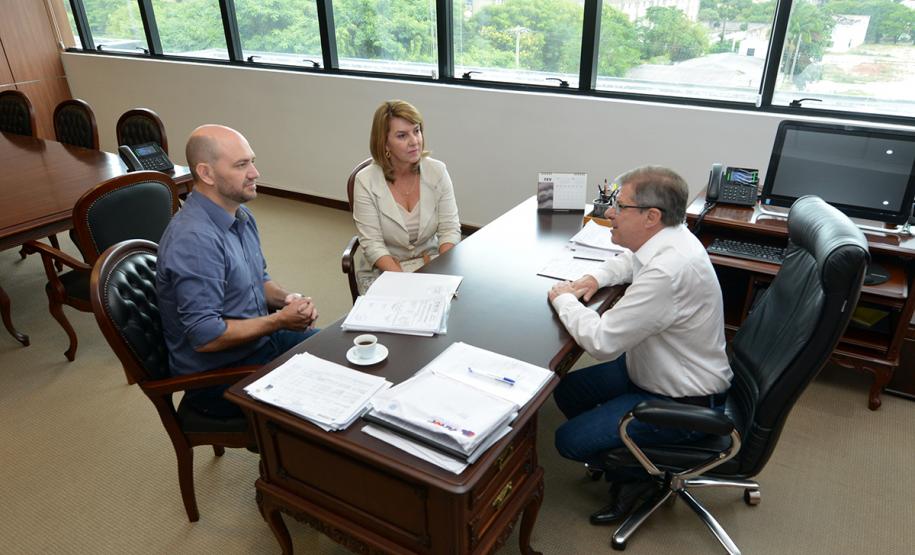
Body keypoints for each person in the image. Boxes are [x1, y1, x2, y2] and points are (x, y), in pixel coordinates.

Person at [547, 166, 732, 524]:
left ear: (651, 216)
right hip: (654, 368)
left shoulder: (668, 272)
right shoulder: (674, 237)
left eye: (620, 205)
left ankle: (639, 477)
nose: (610, 213)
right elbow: (633, 261)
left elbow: (601, 341)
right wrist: (593, 277)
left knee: (568, 441)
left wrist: (563, 299)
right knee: (568, 392)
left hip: (681, 400)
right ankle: (626, 450)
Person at [157, 124, 319, 418]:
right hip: (219, 376)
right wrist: (280, 321)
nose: (255, 173)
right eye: (242, 165)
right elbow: (206, 336)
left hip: (257, 346)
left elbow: (259, 279)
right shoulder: (194, 240)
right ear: (206, 174)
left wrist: (287, 300)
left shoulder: (240, 215)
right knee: (327, 401)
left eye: (252, 161)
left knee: (340, 354)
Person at [352, 100, 461, 292]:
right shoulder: (366, 180)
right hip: (385, 269)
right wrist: (406, 284)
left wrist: (444, 274)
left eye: (416, 131)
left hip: (431, 263)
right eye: (402, 135)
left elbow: (449, 229)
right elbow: (372, 244)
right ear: (384, 143)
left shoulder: (437, 171)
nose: (414, 141)